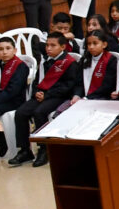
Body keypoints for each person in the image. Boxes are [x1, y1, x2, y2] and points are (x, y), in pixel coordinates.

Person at [9, 31, 81, 168]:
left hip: (58, 97)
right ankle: (25, 150)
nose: (48, 48)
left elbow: (68, 85)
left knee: (39, 112)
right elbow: (37, 80)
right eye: (47, 45)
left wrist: (46, 95)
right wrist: (37, 92)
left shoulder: (69, 63)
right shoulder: (45, 60)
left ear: (63, 47)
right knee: (21, 113)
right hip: (42, 95)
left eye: (53, 45)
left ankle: (44, 149)